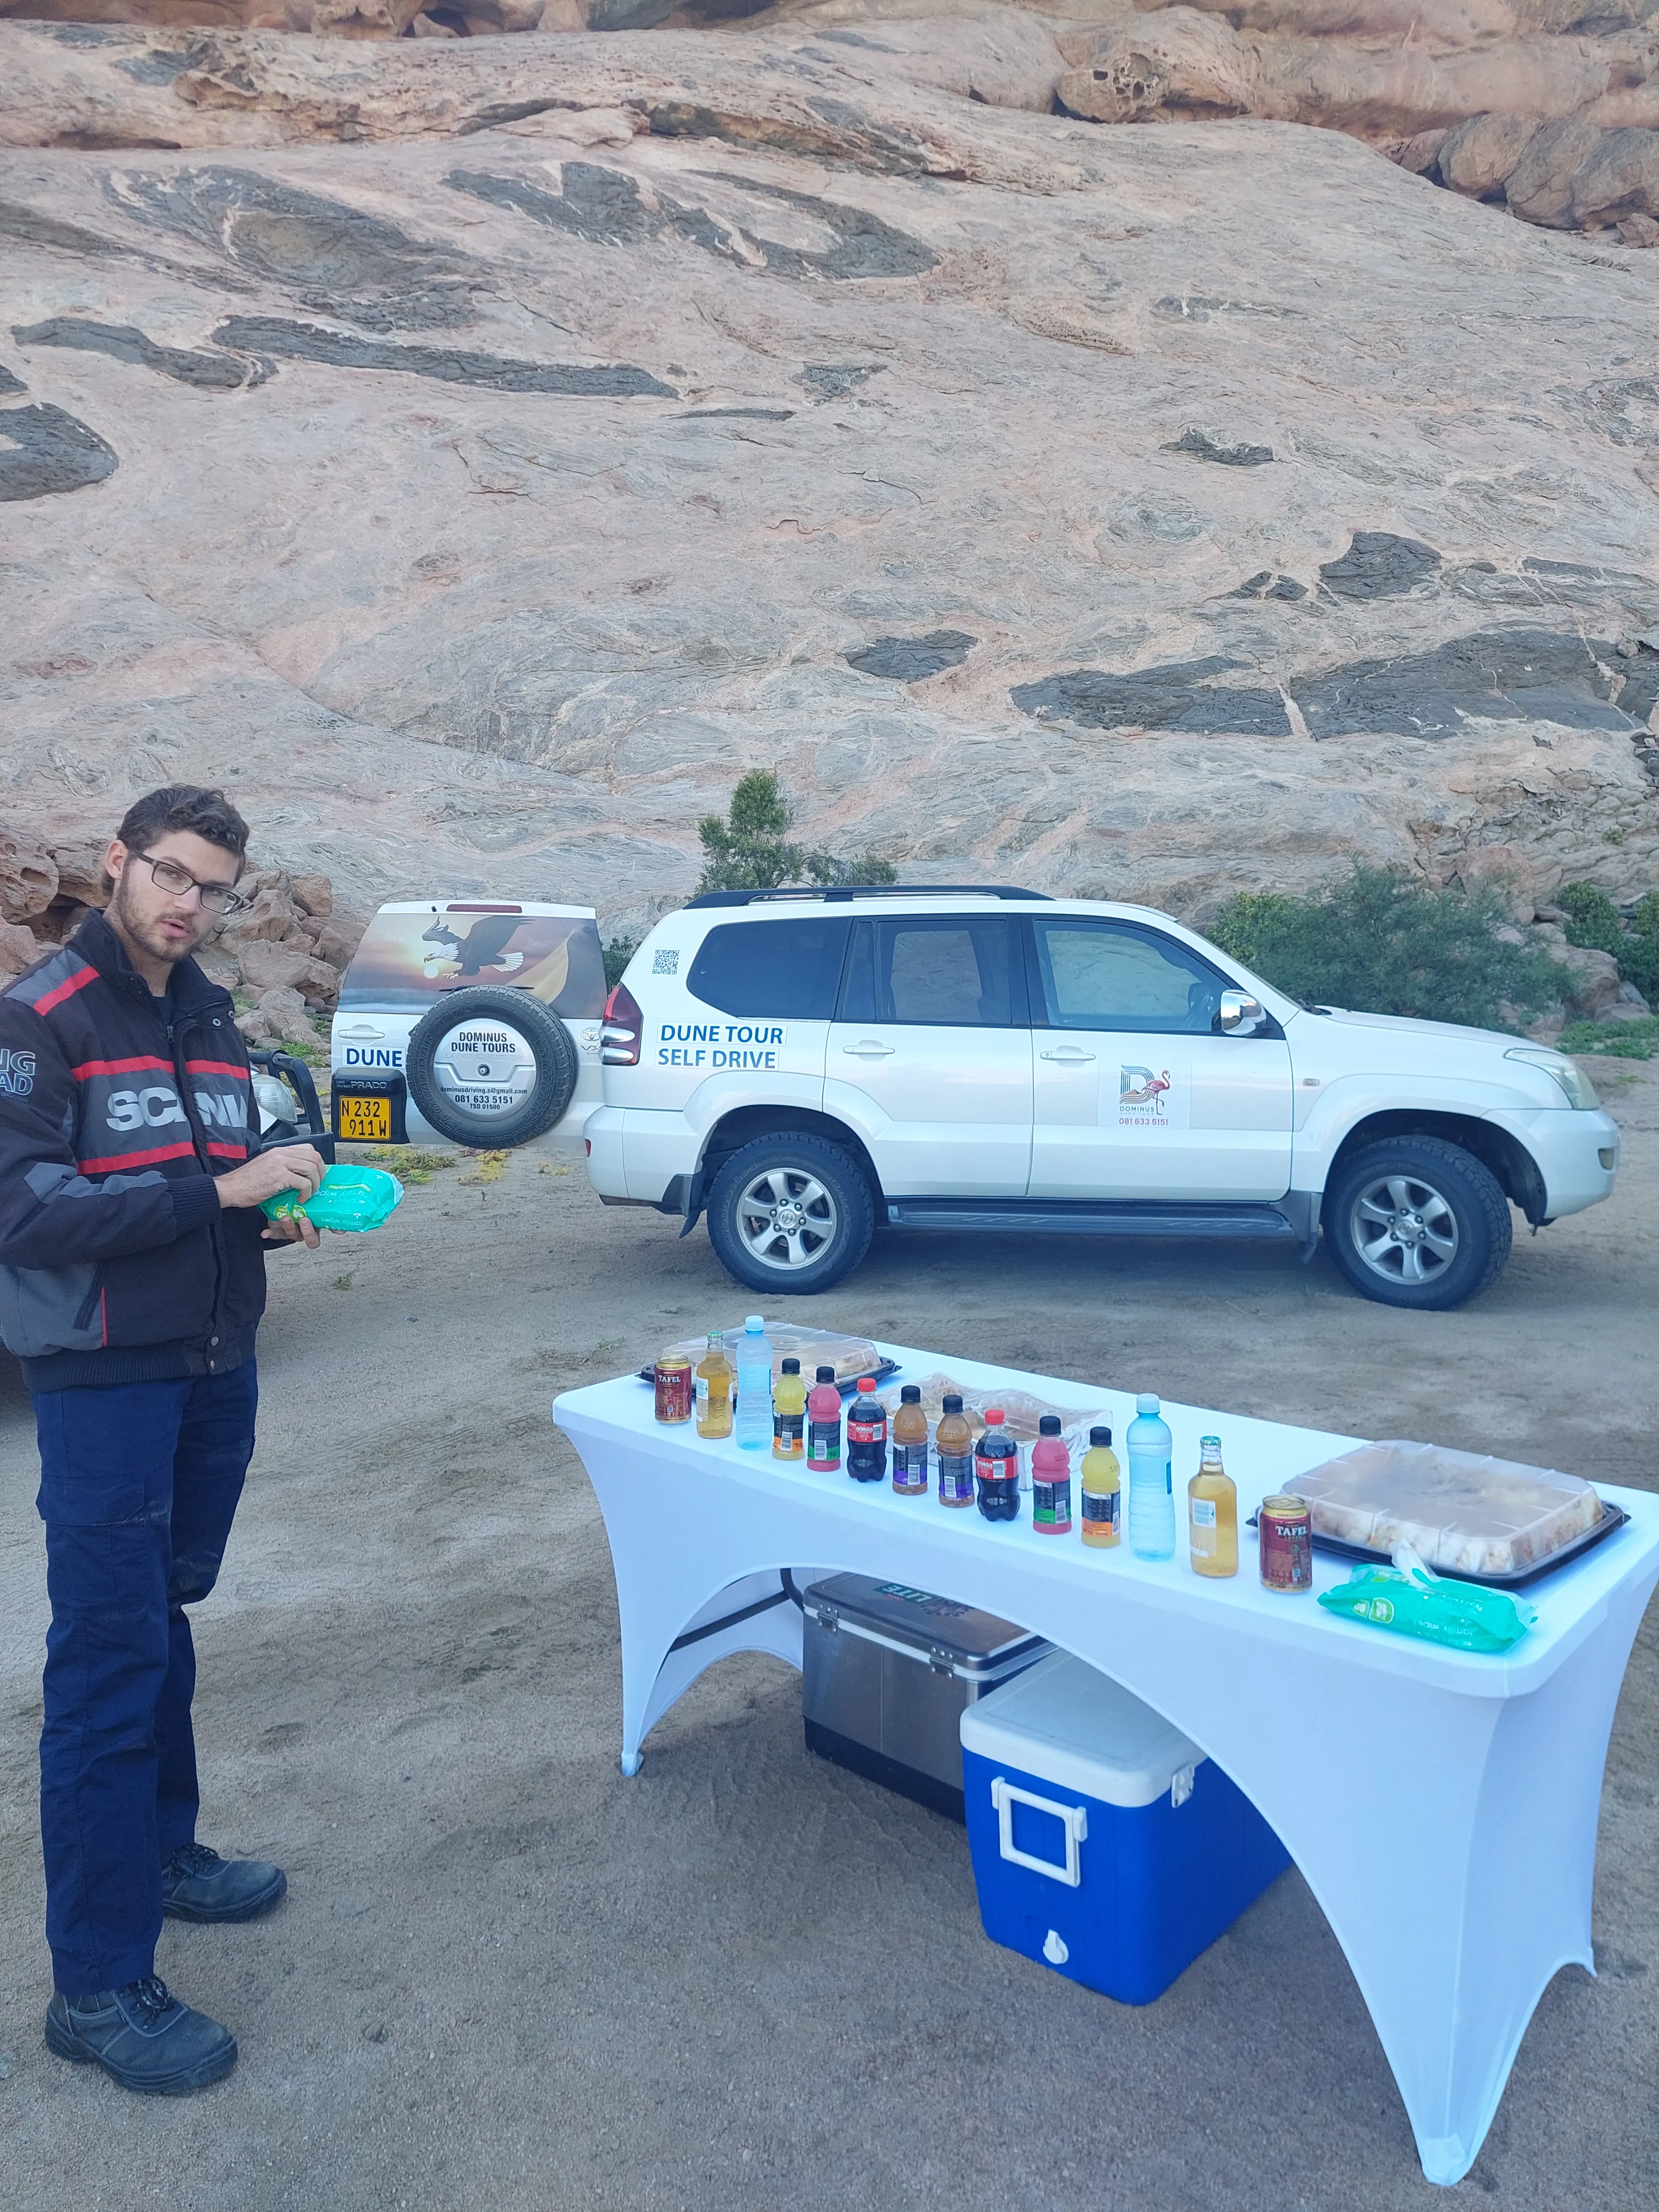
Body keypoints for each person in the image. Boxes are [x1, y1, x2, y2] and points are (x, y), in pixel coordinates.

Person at [0, 786, 329, 2096]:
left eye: (215, 887)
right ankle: (95, 1986)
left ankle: (167, 1851)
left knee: (165, 1614)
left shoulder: (207, 1014)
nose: (189, 903)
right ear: (115, 865)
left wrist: (267, 1211)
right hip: (106, 1382)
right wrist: (222, 1190)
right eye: (171, 875)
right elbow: (24, 1211)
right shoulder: (40, 1020)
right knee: (106, 1656)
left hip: (211, 1367)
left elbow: (209, 1178)